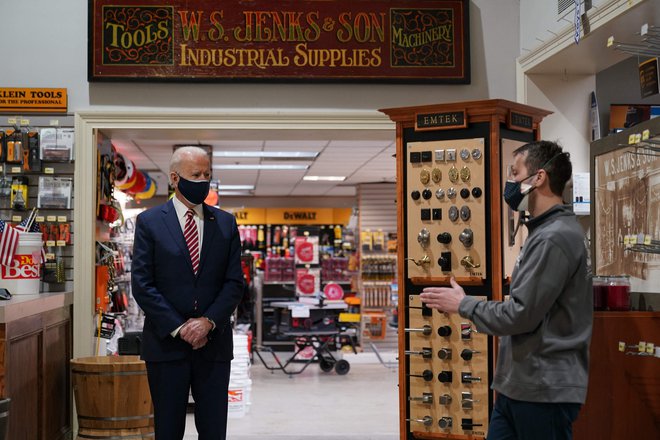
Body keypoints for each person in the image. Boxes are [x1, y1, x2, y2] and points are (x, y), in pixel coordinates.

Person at [420, 140, 592, 440]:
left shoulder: (555, 238)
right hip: (518, 385)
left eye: (515, 172)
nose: (510, 182)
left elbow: (521, 314)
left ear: (538, 177)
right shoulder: (542, 234)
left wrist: (464, 305)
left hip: (543, 390)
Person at [131, 146, 244, 440]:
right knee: (168, 430)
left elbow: (234, 283)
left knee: (213, 429)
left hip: (215, 344)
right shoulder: (150, 222)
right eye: (196, 174)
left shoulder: (226, 223)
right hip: (166, 345)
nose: (203, 180)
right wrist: (181, 328)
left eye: (207, 174)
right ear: (175, 178)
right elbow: (143, 284)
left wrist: (208, 321)